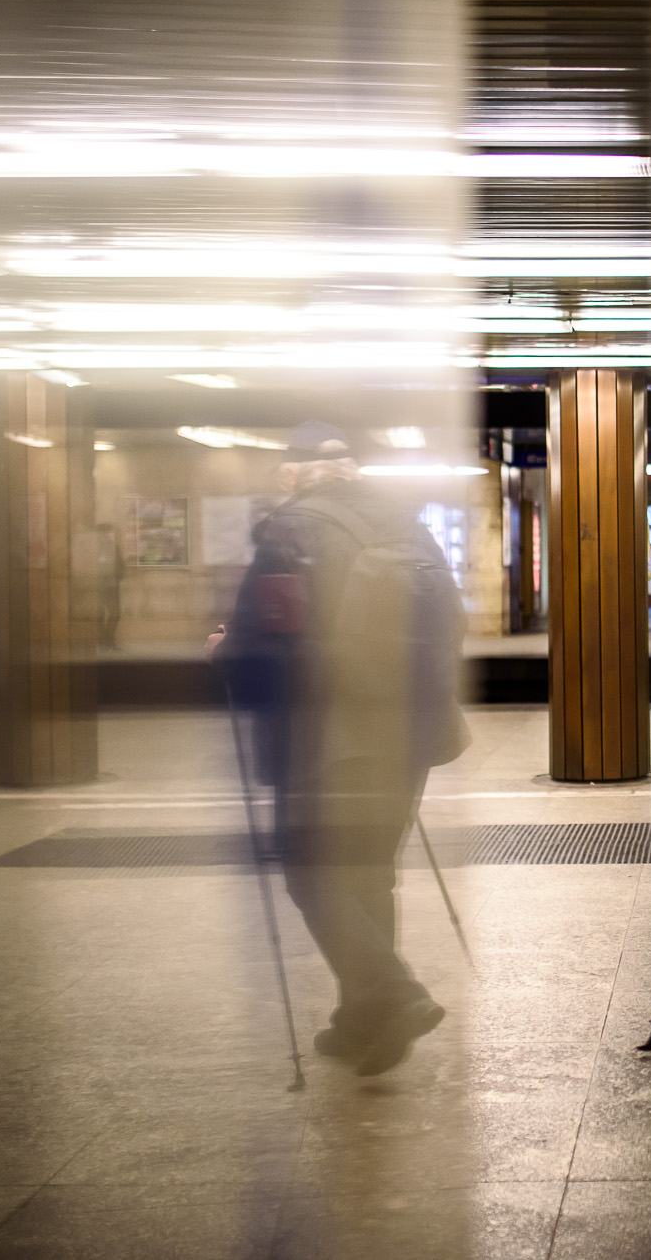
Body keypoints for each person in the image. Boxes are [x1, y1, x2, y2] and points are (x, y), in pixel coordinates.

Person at [208, 421, 465, 1076]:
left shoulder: (288, 532)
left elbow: (264, 641)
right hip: (408, 730)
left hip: (326, 737)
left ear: (294, 474)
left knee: (309, 869)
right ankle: (363, 1020)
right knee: (370, 868)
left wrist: (227, 651)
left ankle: (393, 993)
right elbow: (450, 621)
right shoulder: (409, 525)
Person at [97, 524, 124, 649]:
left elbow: (119, 565)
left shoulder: (110, 546)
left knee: (108, 613)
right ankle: (107, 639)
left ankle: (106, 639)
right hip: (107, 584)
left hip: (107, 584)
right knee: (111, 613)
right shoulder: (106, 546)